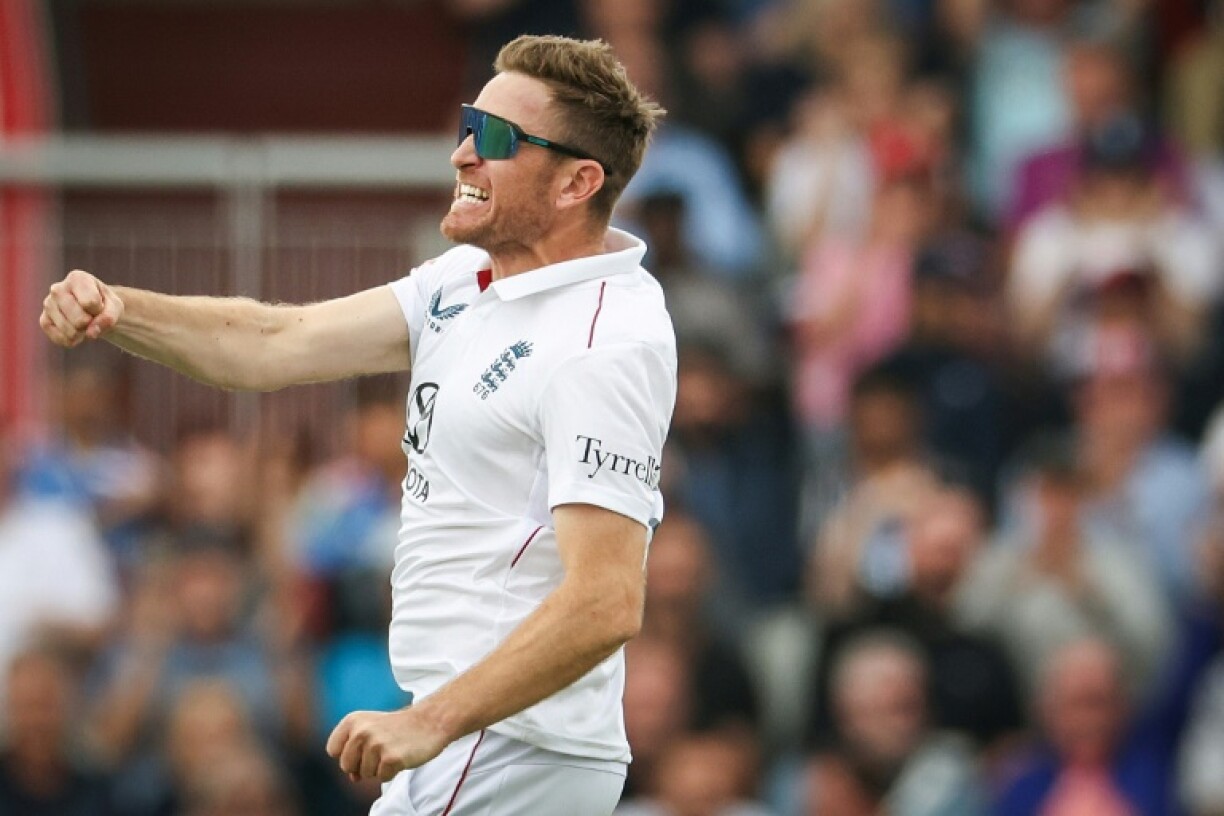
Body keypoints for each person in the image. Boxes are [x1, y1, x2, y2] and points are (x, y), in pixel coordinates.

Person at [40, 33, 676, 816]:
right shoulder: (470, 278)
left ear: (579, 181)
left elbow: (608, 598)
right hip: (472, 741)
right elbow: (276, 343)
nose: (464, 155)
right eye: (468, 125)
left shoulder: (604, 342)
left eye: (499, 139)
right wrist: (122, 309)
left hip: (511, 747)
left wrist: (429, 720)